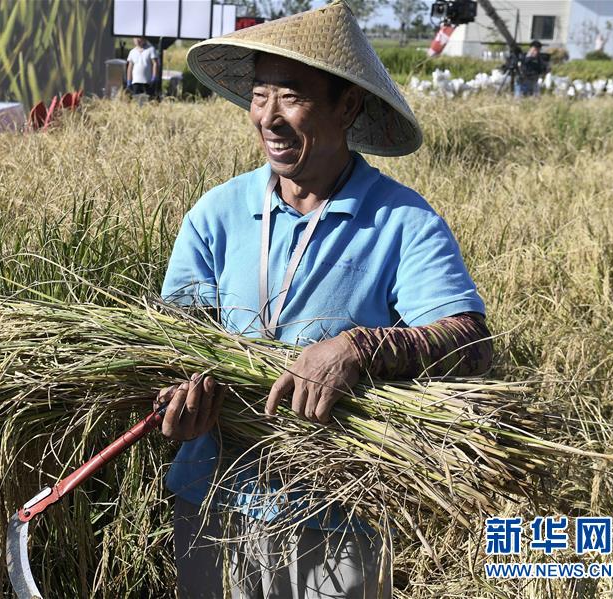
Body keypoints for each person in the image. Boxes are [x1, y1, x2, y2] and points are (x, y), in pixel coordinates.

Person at [158, 4, 493, 598]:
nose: (269, 117)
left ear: (348, 106)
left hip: (339, 515)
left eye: (291, 96)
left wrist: (358, 348)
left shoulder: (402, 222)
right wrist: (175, 395)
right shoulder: (217, 214)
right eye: (259, 96)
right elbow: (176, 339)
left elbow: (471, 343)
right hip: (213, 501)